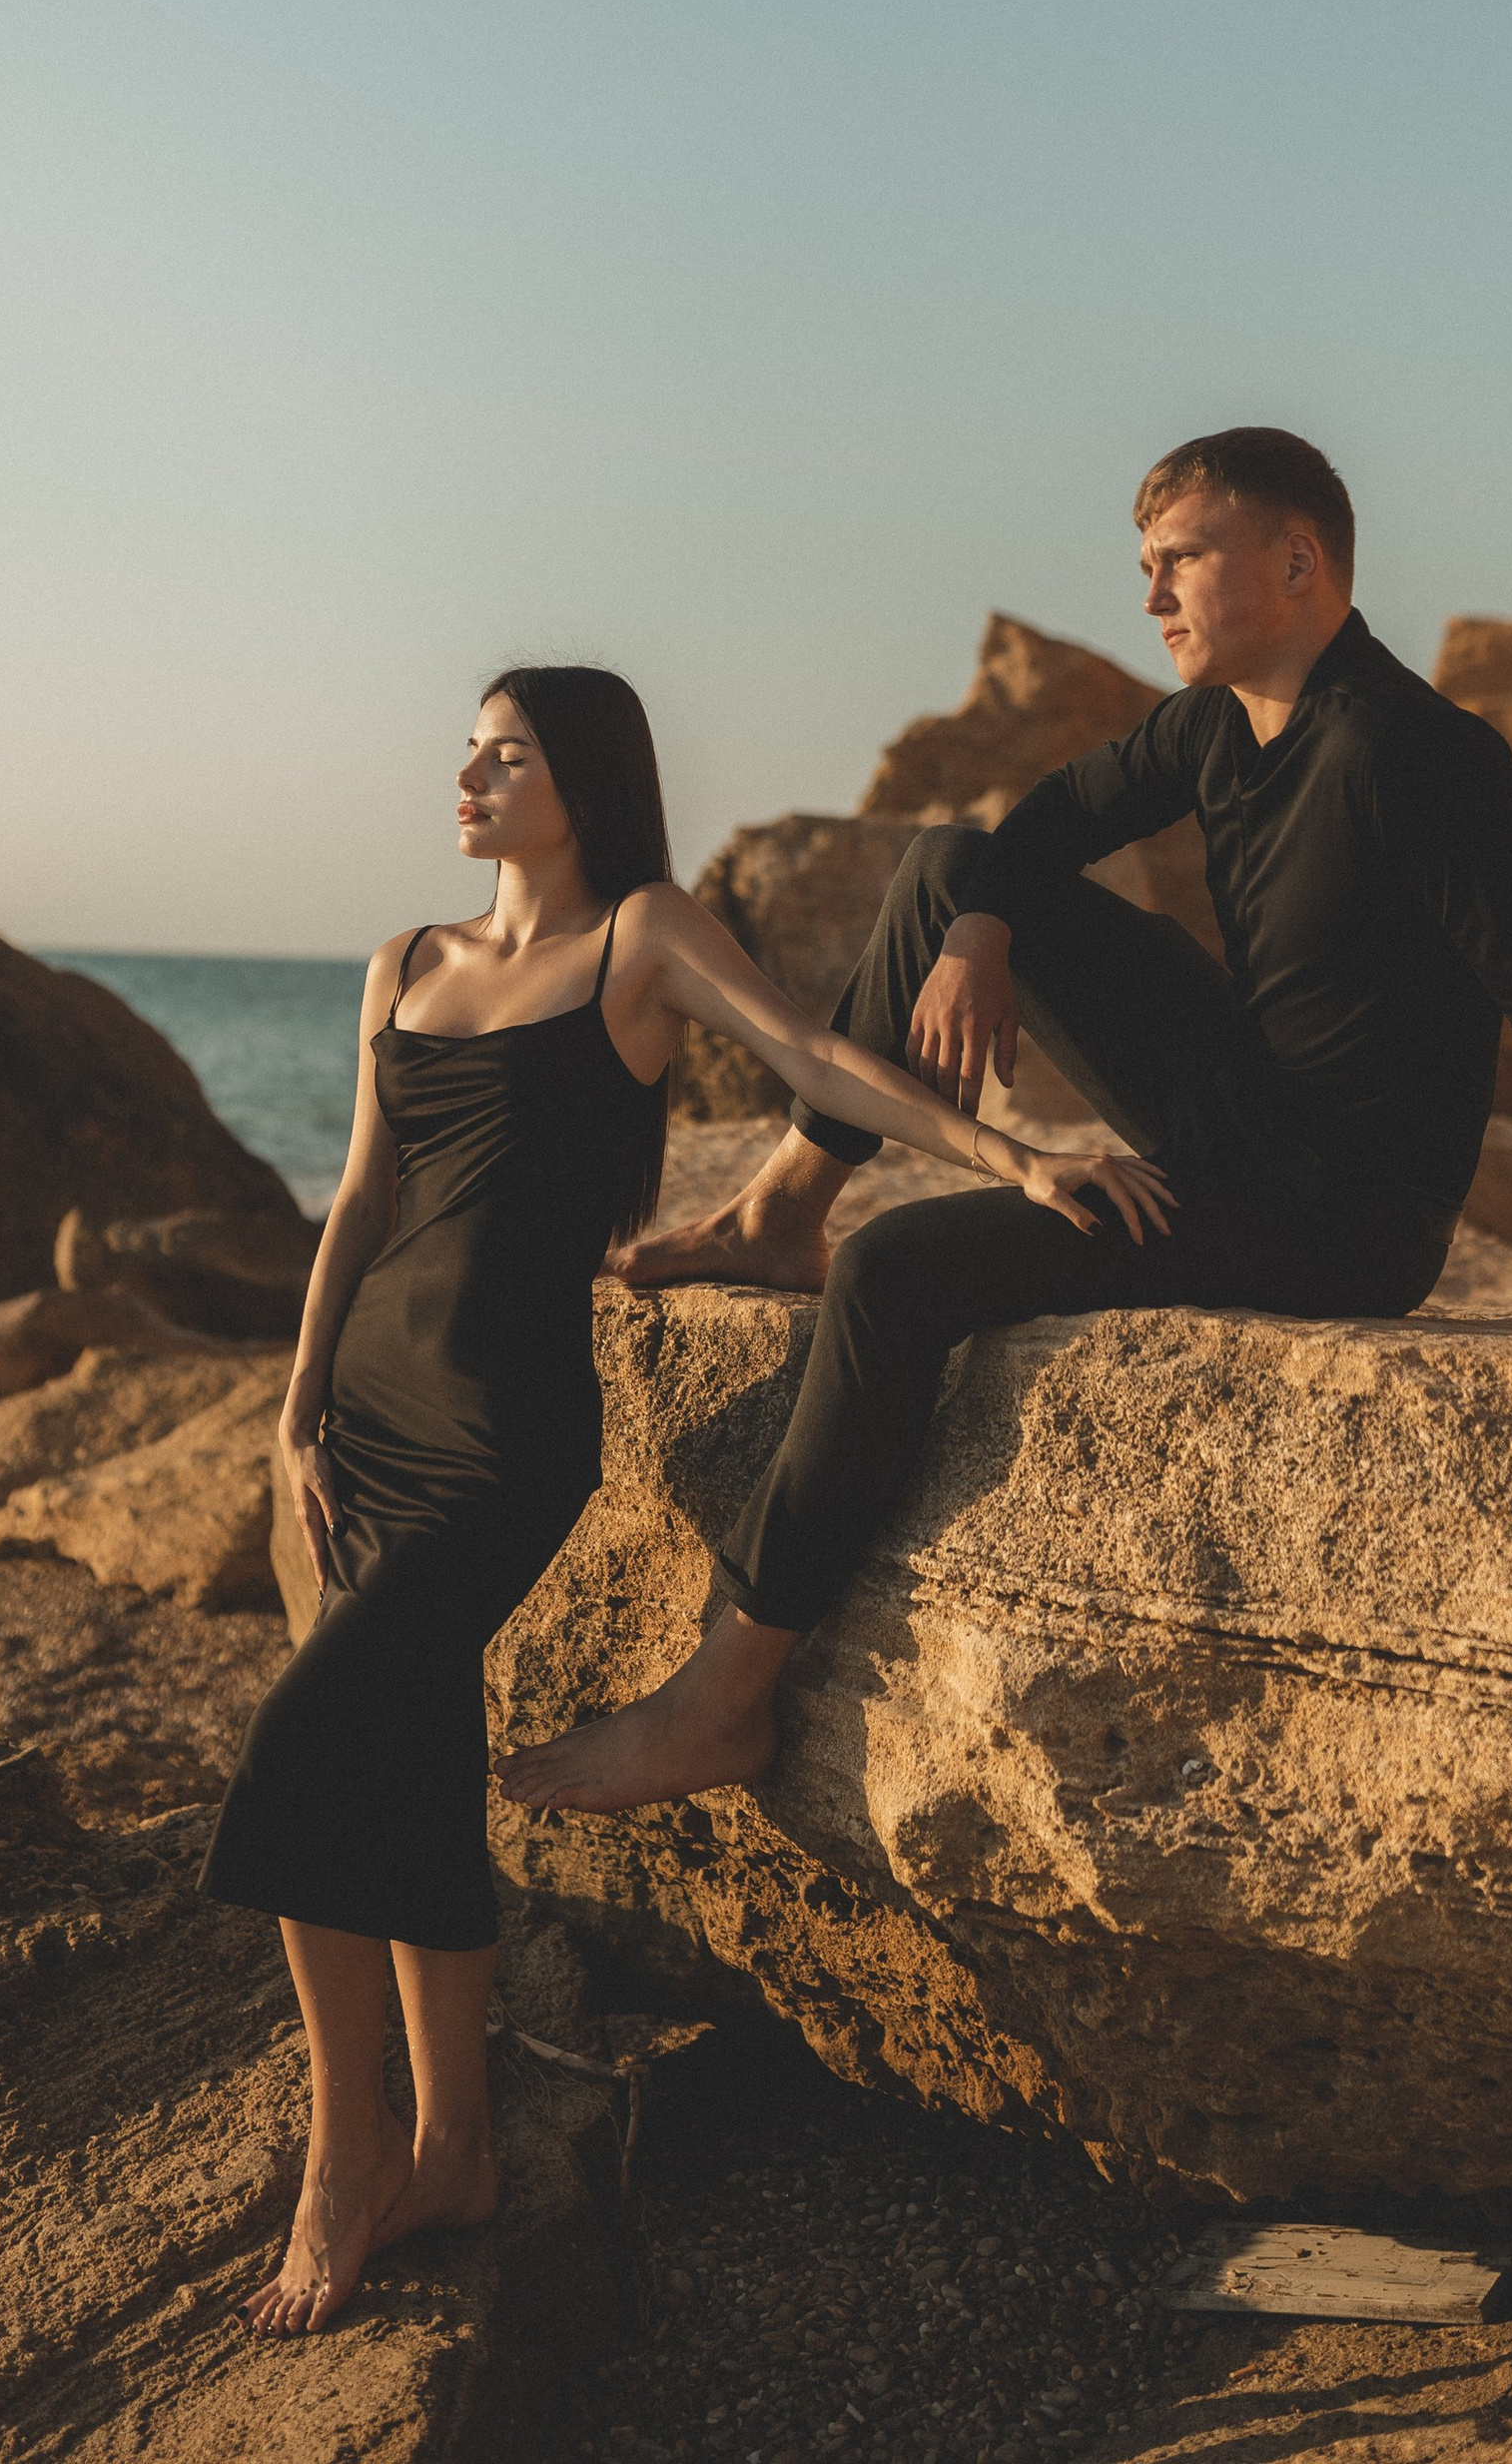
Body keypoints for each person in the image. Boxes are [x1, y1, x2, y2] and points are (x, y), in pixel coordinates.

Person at [496, 428, 1512, 1825]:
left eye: (1180, 559)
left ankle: (724, 1697)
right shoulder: (1215, 724)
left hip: (1334, 1215)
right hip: (1241, 1109)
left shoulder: (1419, 756)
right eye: (1146, 564)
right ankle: (779, 1211)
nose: (1151, 596)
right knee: (945, 867)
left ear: (1299, 563)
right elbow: (1045, 819)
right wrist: (980, 930)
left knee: (895, 1272)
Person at [203, 659, 1168, 2338]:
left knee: (299, 1755)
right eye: (469, 752)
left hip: (501, 1433)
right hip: (368, 1412)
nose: (470, 779)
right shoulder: (406, 962)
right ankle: (454, 2149)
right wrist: (296, 1406)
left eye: (507, 756)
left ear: (582, 782)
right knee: (409, 1759)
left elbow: (817, 1055)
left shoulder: (639, 941)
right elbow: (362, 1198)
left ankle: (343, 2159)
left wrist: (1014, 1157)